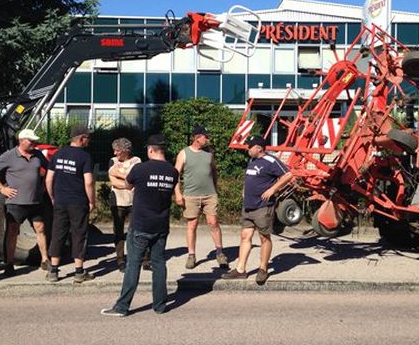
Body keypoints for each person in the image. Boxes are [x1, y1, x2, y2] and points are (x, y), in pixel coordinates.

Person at [101, 134, 178, 317]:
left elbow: (127, 185)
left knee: (133, 264)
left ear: (150, 150)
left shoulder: (140, 169)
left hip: (141, 224)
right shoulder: (173, 171)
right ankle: (160, 306)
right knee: (159, 264)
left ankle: (122, 307)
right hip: (161, 225)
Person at [221, 135, 293, 285]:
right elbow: (249, 178)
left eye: (250, 146)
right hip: (248, 205)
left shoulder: (271, 161)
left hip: (262, 206)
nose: (248, 149)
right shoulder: (252, 160)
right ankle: (241, 270)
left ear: (259, 148)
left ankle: (263, 268)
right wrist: (244, 190)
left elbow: (288, 175)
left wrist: (272, 190)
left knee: (264, 237)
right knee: (245, 236)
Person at [0, 129, 50, 276]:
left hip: (35, 201)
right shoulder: (9, 155)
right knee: (12, 232)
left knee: (41, 229)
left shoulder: (38, 154)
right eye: (31, 141)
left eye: (34, 140)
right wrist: (1, 188)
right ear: (21, 141)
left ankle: (45, 260)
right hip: (16, 203)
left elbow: (48, 169)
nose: (34, 143)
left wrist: (44, 184)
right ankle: (9, 263)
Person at [45, 124, 95, 283]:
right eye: (88, 137)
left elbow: (48, 179)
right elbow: (88, 183)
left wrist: (52, 197)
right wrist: (92, 201)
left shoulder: (58, 154)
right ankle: (79, 272)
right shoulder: (85, 157)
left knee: (58, 233)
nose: (89, 140)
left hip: (60, 201)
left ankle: (53, 271)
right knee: (79, 234)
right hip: (78, 202)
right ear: (81, 139)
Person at [174, 126, 227, 269]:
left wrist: (215, 189)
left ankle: (220, 253)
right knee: (192, 225)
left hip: (210, 195)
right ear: (197, 138)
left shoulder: (209, 152)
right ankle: (191, 255)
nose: (207, 139)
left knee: (213, 223)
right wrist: (178, 193)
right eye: (205, 137)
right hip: (191, 196)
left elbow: (214, 171)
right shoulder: (184, 153)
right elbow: (175, 175)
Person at [107, 138, 141, 272]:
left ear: (126, 151)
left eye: (118, 151)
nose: (115, 153)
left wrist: (121, 175)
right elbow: (112, 179)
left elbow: (135, 177)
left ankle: (139, 257)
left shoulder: (136, 161)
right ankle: (120, 259)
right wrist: (128, 184)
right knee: (118, 231)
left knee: (136, 230)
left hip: (133, 201)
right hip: (118, 201)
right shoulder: (112, 161)